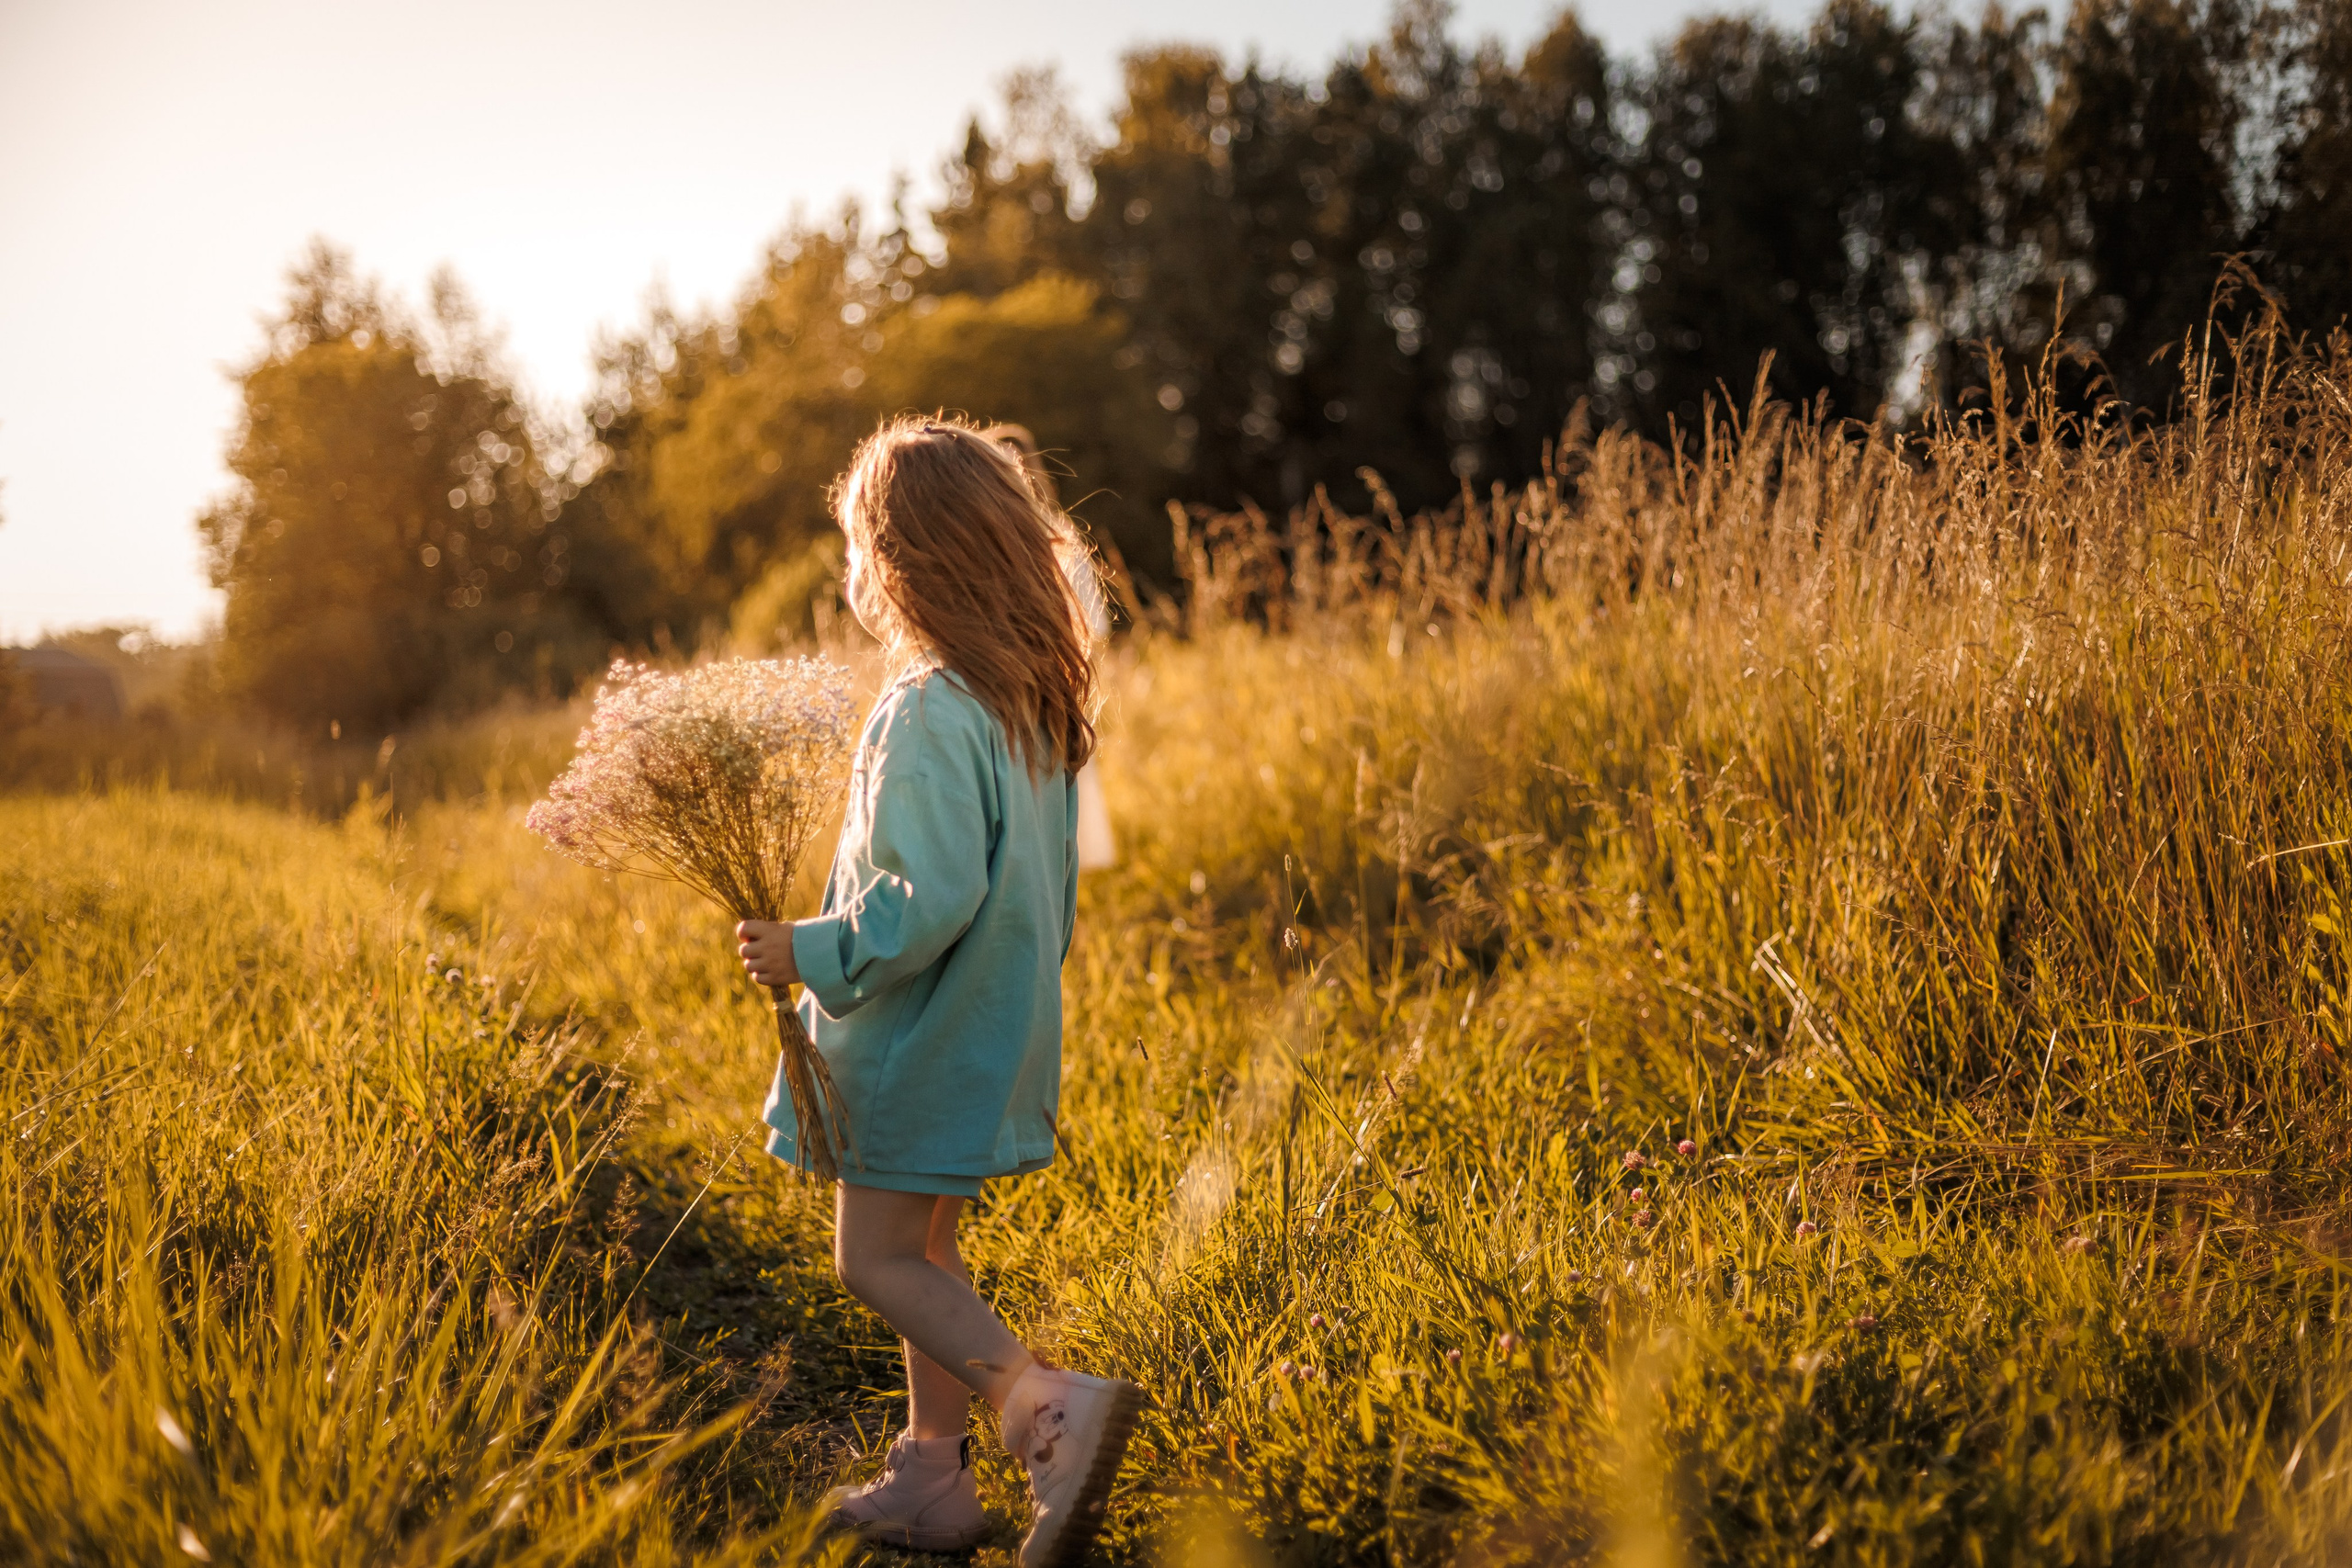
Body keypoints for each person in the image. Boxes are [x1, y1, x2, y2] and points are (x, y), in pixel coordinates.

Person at [733, 415, 1141, 1565]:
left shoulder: (926, 710)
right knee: (927, 1254)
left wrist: (807, 951)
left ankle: (1049, 1413)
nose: (854, 572)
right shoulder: (1028, 704)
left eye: (861, 548)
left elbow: (927, 898)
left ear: (901, 565)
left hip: (921, 1036)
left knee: (870, 1260)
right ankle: (932, 1478)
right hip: (993, 1028)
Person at [981, 423, 1117, 872]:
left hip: (1047, 683)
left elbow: (1093, 624)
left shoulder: (1057, 535)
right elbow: (1095, 626)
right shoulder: (998, 540)